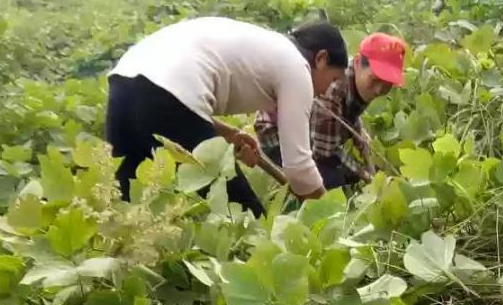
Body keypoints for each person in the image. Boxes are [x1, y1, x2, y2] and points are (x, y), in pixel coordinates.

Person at [105, 17, 349, 213]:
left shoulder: (271, 47)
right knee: (246, 219)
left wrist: (225, 134)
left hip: (124, 80)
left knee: (128, 205)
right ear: (321, 59)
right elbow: (298, 168)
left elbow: (166, 96)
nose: (327, 90)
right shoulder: (297, 69)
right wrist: (329, 214)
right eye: (334, 79)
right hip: (166, 91)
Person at [255, 31, 406, 193]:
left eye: (387, 84)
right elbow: (324, 152)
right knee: (333, 181)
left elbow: (348, 114)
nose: (379, 90)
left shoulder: (357, 80)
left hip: (310, 131)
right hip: (277, 134)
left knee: (350, 174)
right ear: (356, 63)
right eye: (375, 80)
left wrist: (358, 135)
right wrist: (367, 177)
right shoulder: (332, 88)